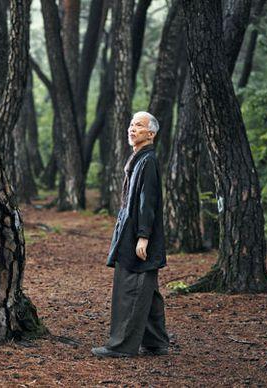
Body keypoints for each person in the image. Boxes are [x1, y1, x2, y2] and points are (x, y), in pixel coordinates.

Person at [92, 111, 170, 358]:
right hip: (131, 230)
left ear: (151, 134)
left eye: (139, 125)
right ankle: (156, 342)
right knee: (148, 289)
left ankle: (122, 346)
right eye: (131, 124)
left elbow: (149, 201)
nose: (132, 128)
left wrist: (143, 236)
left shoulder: (148, 162)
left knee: (131, 286)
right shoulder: (140, 158)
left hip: (139, 233)